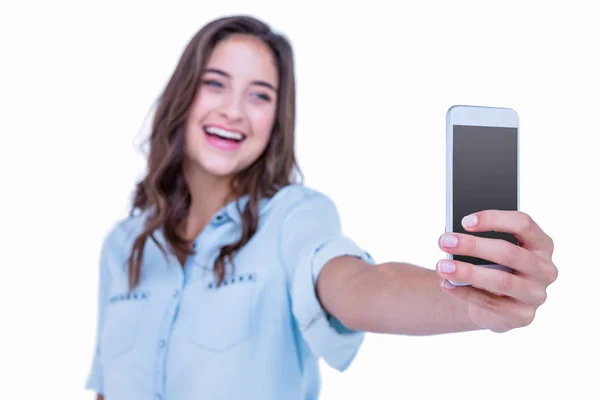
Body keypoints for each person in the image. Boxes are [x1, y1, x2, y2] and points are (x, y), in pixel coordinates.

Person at [85, 15, 558, 400]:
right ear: (183, 94)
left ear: (275, 120)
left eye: (259, 95)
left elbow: (357, 284)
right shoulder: (122, 246)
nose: (233, 110)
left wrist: (468, 302)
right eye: (215, 84)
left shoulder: (295, 217)